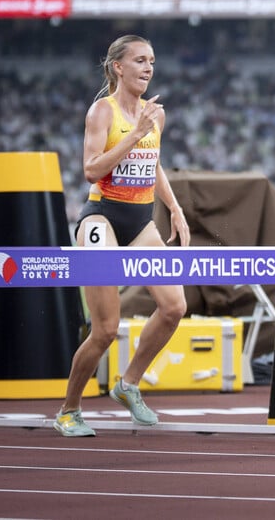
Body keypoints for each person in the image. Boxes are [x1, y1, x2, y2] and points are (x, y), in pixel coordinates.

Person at [54, 35, 190, 437]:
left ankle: (128, 384)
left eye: (152, 61)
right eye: (140, 61)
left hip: (141, 220)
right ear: (118, 67)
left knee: (173, 307)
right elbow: (91, 170)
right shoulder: (102, 112)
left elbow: (153, 162)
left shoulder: (155, 115)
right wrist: (133, 134)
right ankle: (69, 409)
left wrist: (175, 208)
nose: (148, 68)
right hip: (102, 218)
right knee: (106, 329)